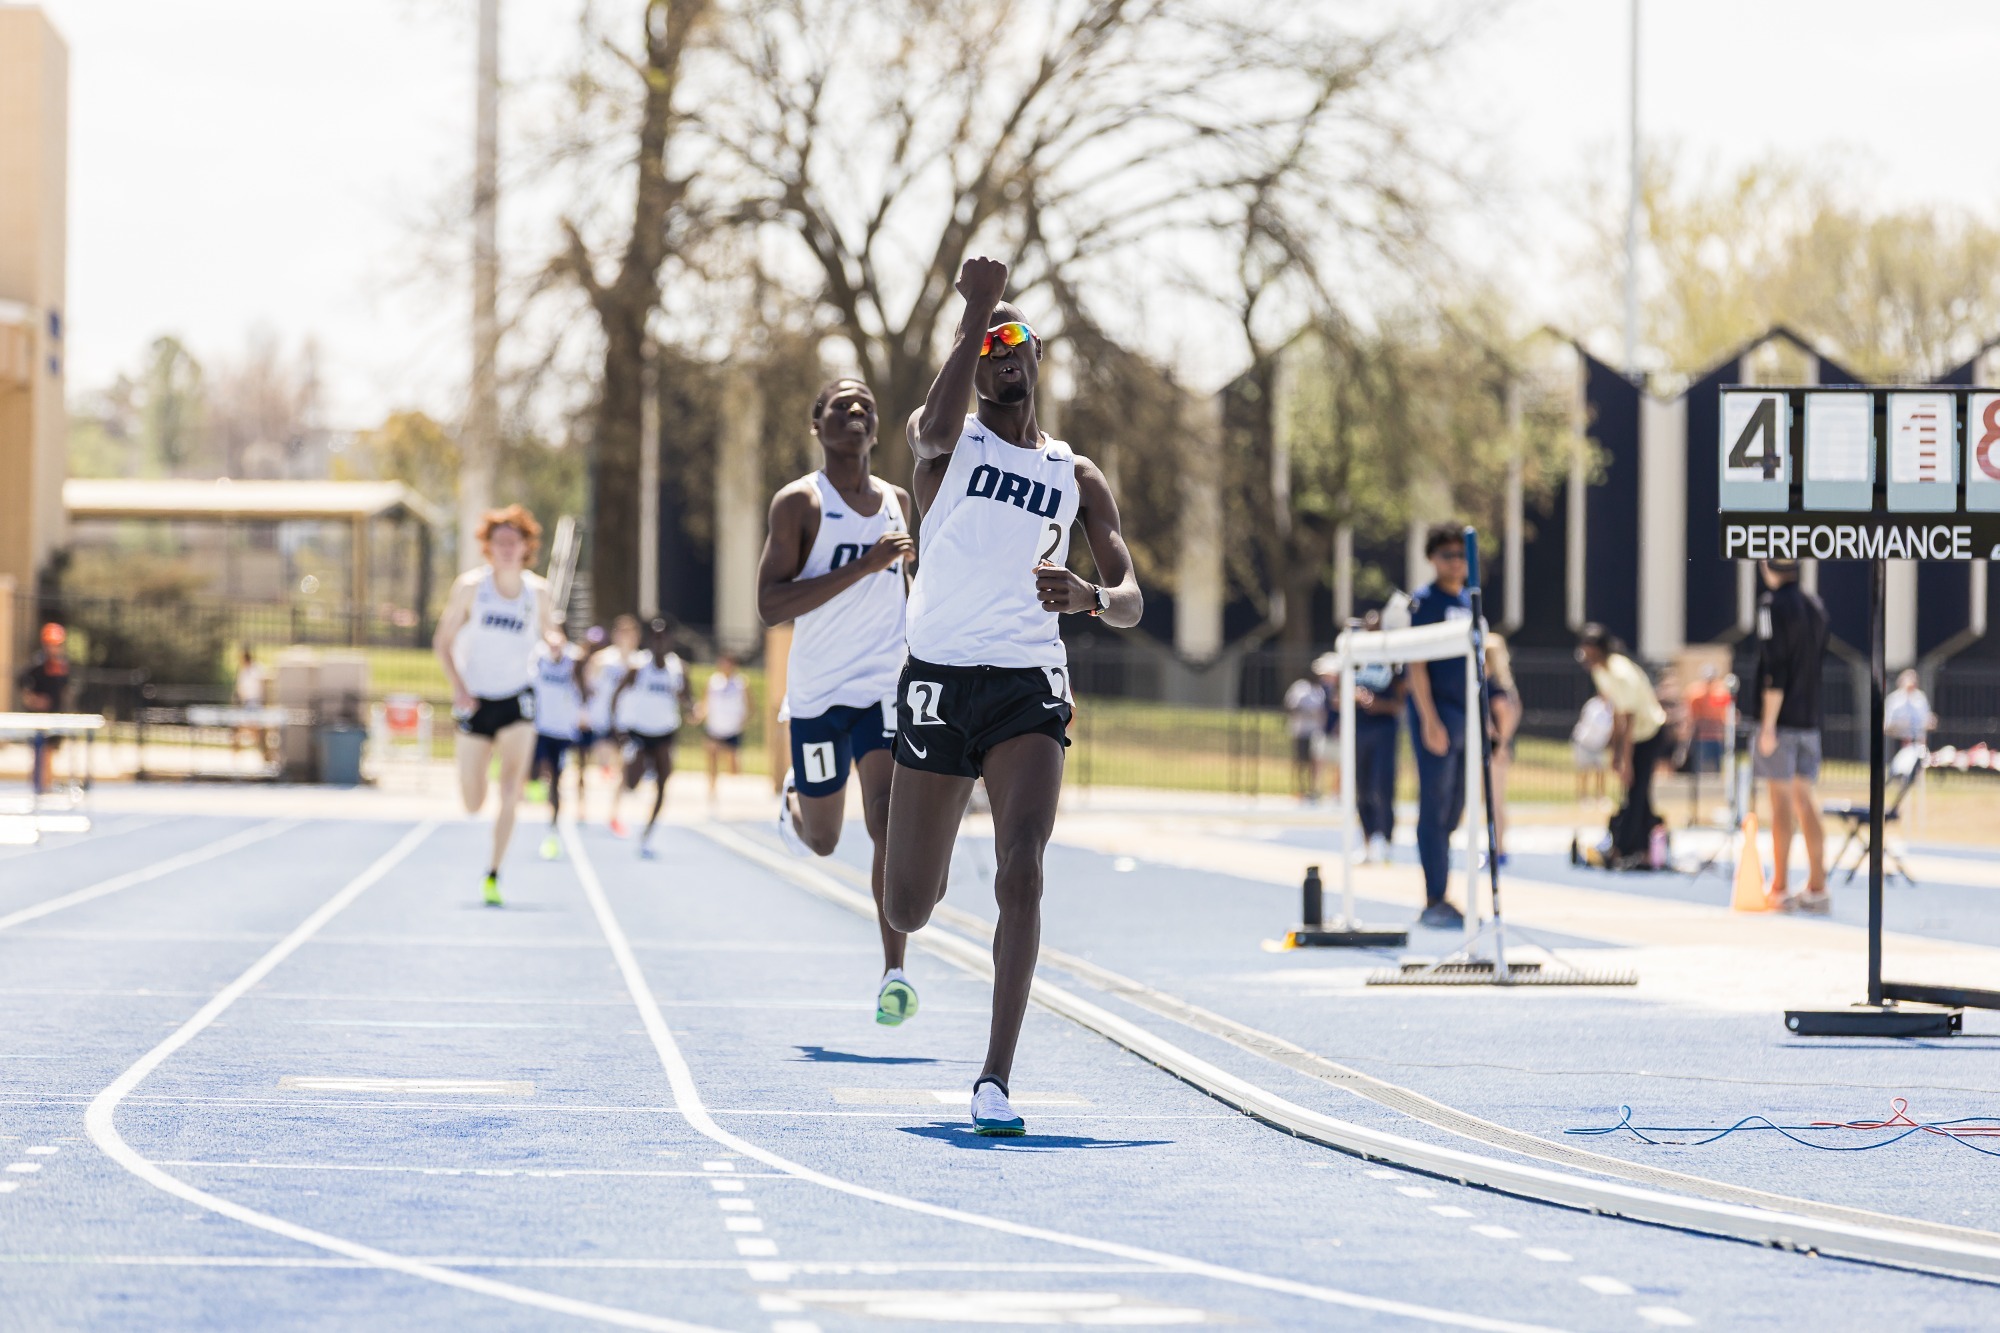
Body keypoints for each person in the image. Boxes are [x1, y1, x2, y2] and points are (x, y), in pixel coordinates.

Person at [881, 256, 1142, 1137]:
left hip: (1029, 683)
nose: (1000, 355)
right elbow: (923, 433)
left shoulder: (1076, 472)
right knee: (908, 902)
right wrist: (975, 310)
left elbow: (1132, 594)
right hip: (939, 678)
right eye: (987, 345)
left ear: (1035, 360)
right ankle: (922, 855)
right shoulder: (951, 443)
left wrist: (1092, 598)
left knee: (1023, 868)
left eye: (1013, 343)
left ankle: (994, 1075)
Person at [755, 377, 921, 1026]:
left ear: (876, 431)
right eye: (841, 407)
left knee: (887, 822)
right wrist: (863, 563)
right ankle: (794, 804)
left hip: (883, 686)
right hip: (820, 695)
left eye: (866, 408)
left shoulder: (899, 501)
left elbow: (906, 586)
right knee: (824, 841)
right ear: (817, 425)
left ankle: (893, 971)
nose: (856, 413)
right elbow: (770, 606)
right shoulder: (800, 504)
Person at [433, 505, 554, 906]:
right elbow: (443, 642)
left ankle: (494, 872)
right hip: (477, 699)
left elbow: (552, 632)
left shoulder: (537, 592)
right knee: (473, 801)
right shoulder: (471, 588)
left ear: (525, 547)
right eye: (498, 541)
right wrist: (458, 686)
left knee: (511, 790)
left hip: (519, 698)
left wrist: (555, 644)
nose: (505, 548)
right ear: (487, 547)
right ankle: (474, 781)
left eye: (512, 541)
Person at [1405, 523, 1473, 928]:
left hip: (1466, 714)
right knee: (1434, 804)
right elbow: (1416, 665)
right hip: (1438, 714)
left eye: (1462, 555)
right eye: (1447, 555)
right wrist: (1429, 719)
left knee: (1455, 807)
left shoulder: (1469, 600)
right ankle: (1434, 896)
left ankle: (1445, 891)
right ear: (1432, 559)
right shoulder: (1424, 602)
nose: (1456, 562)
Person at [1754, 557, 1830, 911]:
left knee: (1780, 802)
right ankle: (1817, 886)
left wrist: (1768, 724)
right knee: (1806, 799)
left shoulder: (1772, 605)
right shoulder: (1815, 605)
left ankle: (1780, 887)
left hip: (1782, 720)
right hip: (1810, 716)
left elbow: (1775, 667)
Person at [1575, 624, 1668, 869]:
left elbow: (1629, 719)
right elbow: (1615, 714)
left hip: (1648, 732)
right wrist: (1615, 753)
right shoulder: (1601, 671)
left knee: (1636, 788)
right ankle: (1647, 848)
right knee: (1638, 792)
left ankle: (1626, 847)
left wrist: (1625, 759)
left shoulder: (1619, 672)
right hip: (1633, 734)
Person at [609, 618, 692, 860]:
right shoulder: (638, 667)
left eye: (664, 636)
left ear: (670, 640)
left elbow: (688, 700)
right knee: (632, 783)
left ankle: (648, 833)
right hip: (639, 733)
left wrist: (691, 707)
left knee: (663, 784)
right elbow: (616, 696)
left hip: (665, 733)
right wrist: (620, 733)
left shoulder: (678, 668)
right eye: (655, 636)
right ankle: (625, 795)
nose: (659, 641)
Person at [529, 625, 586, 861]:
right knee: (533, 772)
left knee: (557, 779)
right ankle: (536, 785)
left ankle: (552, 827)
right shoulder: (537, 655)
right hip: (539, 726)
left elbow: (584, 683)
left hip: (562, 730)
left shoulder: (574, 660)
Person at [1350, 610, 1403, 864]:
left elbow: (1401, 702)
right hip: (1359, 728)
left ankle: (1387, 839)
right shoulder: (1357, 658)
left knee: (1383, 786)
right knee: (1361, 786)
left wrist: (1378, 704)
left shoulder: (1393, 660)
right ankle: (1368, 840)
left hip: (1384, 728)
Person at [586, 616, 641, 833]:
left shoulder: (640, 661)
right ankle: (603, 772)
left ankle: (614, 814)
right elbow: (589, 686)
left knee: (624, 771)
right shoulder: (602, 659)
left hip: (628, 722)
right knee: (604, 757)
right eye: (623, 632)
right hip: (605, 721)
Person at [16, 623, 73, 795]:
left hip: (55, 715)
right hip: (38, 716)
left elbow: (64, 690)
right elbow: (22, 683)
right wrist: (33, 700)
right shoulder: (37, 664)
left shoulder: (62, 665)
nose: (53, 648)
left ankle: (46, 783)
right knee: (41, 750)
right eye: (50, 644)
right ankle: (40, 784)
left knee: (50, 751)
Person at [1484, 634, 1520, 866]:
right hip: (1499, 747)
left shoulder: (1492, 684)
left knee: (1494, 800)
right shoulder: (1504, 683)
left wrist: (1500, 741)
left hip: (1494, 749)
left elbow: (1505, 712)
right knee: (1495, 800)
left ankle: (1497, 848)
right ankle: (1497, 846)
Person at [702, 654, 749, 803]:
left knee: (733, 769)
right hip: (715, 727)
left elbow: (749, 706)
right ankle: (712, 790)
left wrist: (743, 721)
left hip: (732, 729)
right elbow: (705, 703)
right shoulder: (713, 682)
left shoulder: (741, 683)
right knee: (712, 758)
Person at [1284, 670, 1329, 802]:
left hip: (1315, 732)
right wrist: (1307, 712)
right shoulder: (1300, 688)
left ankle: (1312, 790)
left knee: (1314, 763)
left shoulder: (1320, 690)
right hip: (1301, 730)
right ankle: (1299, 789)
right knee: (1300, 762)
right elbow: (1290, 706)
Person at [231, 645, 273, 765]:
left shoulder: (257, 669)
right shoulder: (242, 671)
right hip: (246, 704)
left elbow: (263, 687)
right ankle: (236, 758)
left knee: (258, 732)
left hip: (255, 703)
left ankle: (265, 757)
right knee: (238, 730)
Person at [1572, 694, 1613, 808]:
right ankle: (1583, 797)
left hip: (1599, 744)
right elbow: (1592, 723)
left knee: (1601, 771)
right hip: (1585, 743)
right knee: (1584, 771)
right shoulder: (1593, 705)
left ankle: (1600, 797)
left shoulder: (1612, 706)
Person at [1884, 669, 1935, 750]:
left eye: (1914, 679)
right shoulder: (1893, 699)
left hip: (1917, 741)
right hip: (1898, 740)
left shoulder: (1920, 697)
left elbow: (1926, 719)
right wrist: (1900, 724)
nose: (1913, 682)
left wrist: (1929, 721)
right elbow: (1886, 724)